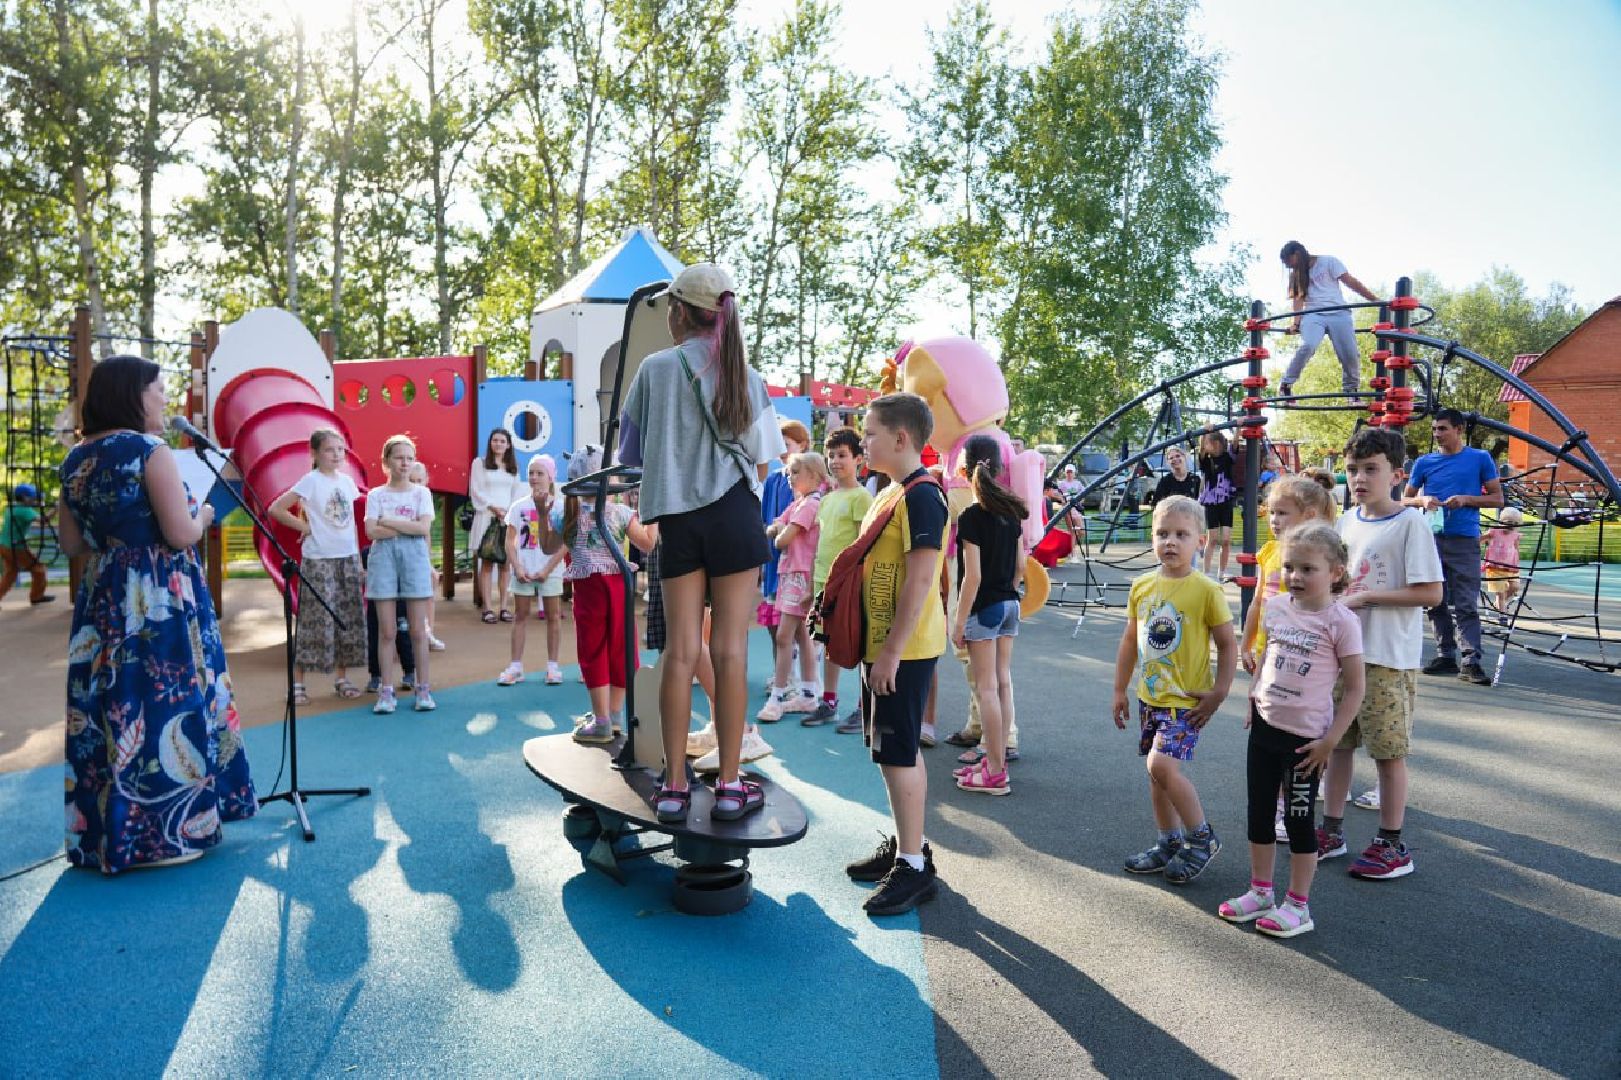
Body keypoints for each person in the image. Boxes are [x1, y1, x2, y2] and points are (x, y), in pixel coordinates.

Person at [56, 355, 256, 871]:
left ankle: (110, 835)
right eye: (158, 389)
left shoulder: (75, 459)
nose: (165, 398)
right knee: (169, 704)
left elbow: (71, 542)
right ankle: (165, 838)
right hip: (158, 597)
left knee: (110, 708)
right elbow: (181, 533)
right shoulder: (150, 450)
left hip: (103, 596)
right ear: (133, 395)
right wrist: (206, 512)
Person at [617, 262, 784, 826]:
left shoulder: (655, 370)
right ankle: (733, 783)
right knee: (732, 650)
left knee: (681, 652)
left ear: (680, 312)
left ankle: (674, 783)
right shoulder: (746, 374)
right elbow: (762, 461)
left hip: (679, 522)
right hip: (735, 515)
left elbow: (631, 456)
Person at [1220, 523, 1365, 937]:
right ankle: (1260, 891)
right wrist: (1254, 697)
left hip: (1307, 742)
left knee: (1300, 823)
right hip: (1265, 728)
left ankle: (1298, 906)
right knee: (1259, 815)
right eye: (1289, 567)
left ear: (1335, 572)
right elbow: (1268, 655)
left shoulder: (1341, 622)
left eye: (1308, 569)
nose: (1295, 576)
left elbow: (1355, 687)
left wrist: (1331, 741)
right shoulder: (1278, 606)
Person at [840, 392, 949, 916]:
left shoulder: (922, 496)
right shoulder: (889, 492)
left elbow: (922, 580)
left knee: (899, 752)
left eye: (870, 433)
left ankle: (913, 867)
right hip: (882, 647)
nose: (863, 441)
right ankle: (910, 848)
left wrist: (889, 653)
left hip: (901, 651)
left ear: (901, 438)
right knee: (889, 750)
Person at [1321, 426, 1443, 880]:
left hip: (1388, 658)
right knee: (1338, 746)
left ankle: (1392, 844)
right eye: (1353, 469)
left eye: (1371, 469)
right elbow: (1336, 582)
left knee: (1389, 752)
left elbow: (1430, 592)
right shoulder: (1347, 521)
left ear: (1396, 474)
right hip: (1344, 656)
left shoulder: (1409, 522)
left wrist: (1368, 598)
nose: (1359, 478)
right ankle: (1331, 830)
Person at [1111, 494, 1236, 884]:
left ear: (1201, 541)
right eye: (1162, 533)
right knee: (1157, 776)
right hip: (1151, 698)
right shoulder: (1143, 586)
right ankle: (1168, 841)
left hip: (1187, 702)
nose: (1170, 541)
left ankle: (1202, 838)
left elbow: (1228, 644)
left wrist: (1219, 692)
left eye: (1182, 534)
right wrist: (1119, 689)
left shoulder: (1206, 590)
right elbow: (1130, 641)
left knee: (1160, 765)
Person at [548, 446, 654, 742]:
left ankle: (603, 718)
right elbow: (647, 544)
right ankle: (614, 715)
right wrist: (653, 517)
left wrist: (545, 513)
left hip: (588, 589)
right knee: (622, 647)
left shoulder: (564, 514)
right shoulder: (620, 513)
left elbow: (546, 547)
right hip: (618, 586)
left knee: (593, 649)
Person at [1402, 408, 1504, 685]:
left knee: (1465, 602)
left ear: (1458, 429)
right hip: (1431, 539)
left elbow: (1497, 498)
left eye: (1443, 428)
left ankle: (1471, 661)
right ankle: (1446, 655)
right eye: (1435, 429)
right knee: (1434, 600)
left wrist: (1467, 499)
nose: (1437, 434)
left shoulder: (1480, 458)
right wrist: (1422, 501)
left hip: (1464, 539)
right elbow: (1404, 500)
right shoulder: (1424, 463)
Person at [949, 434, 1026, 797]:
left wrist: (960, 621)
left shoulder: (971, 517)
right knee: (1002, 683)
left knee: (987, 689)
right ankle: (995, 760)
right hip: (1010, 604)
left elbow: (973, 576)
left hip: (986, 608)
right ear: (1000, 467)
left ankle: (994, 771)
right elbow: (1021, 567)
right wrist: (1007, 591)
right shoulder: (1011, 513)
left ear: (964, 471)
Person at [269, 428, 366, 703]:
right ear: (314, 453)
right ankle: (298, 684)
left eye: (340, 449)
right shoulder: (310, 481)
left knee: (345, 618)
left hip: (346, 558)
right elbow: (276, 508)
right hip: (319, 560)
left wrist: (358, 560)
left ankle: (341, 678)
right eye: (329, 450)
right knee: (315, 619)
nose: (336, 455)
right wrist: (304, 527)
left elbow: (351, 526)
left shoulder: (347, 483)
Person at [365, 434, 437, 713]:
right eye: (398, 457)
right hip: (383, 560)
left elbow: (423, 529)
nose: (405, 463)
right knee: (387, 630)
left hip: (415, 560)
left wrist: (390, 522)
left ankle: (423, 689)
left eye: (409, 457)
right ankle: (386, 690)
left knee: (418, 630)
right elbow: (372, 531)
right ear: (386, 462)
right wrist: (408, 524)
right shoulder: (376, 495)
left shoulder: (422, 493)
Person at [1240, 476, 1338, 676]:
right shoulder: (1269, 551)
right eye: (1272, 512)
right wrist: (1245, 645)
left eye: (1282, 513)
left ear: (1309, 515)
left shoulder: (1321, 557)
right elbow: (1258, 602)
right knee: (1260, 702)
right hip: (1265, 650)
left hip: (1301, 655)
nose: (1274, 519)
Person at [759, 450, 829, 721]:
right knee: (800, 634)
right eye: (789, 472)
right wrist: (779, 528)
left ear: (814, 475)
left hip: (799, 575)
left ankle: (778, 696)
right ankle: (808, 694)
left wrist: (780, 530)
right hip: (792, 572)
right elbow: (775, 525)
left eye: (796, 472)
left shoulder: (811, 504)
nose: (789, 477)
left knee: (784, 635)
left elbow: (780, 538)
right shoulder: (800, 502)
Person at [814, 427, 873, 729]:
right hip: (823, 581)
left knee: (856, 641)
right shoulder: (827, 498)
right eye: (831, 456)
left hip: (848, 584)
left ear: (859, 459)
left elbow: (862, 544)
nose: (835, 461)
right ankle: (829, 700)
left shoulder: (862, 497)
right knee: (828, 643)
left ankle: (865, 706)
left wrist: (853, 580)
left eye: (842, 455)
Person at [1276, 240, 1382, 398]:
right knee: (1308, 345)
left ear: (1296, 254)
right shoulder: (1296, 275)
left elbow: (1350, 282)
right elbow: (1298, 300)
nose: (1287, 266)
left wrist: (1374, 299)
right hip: (1313, 315)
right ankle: (1286, 384)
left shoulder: (1328, 262)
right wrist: (1295, 323)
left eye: (1288, 262)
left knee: (1349, 353)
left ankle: (1351, 391)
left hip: (1338, 312)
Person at [497, 455, 566, 687]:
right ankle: (515, 666)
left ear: (550, 476)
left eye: (540, 473)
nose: (535, 478)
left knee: (554, 616)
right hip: (524, 570)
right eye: (531, 473)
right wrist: (517, 566)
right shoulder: (519, 506)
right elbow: (510, 540)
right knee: (520, 615)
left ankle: (553, 666)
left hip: (551, 570)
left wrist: (547, 569)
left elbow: (566, 542)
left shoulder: (560, 505)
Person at [759, 419, 809, 646]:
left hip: (797, 561)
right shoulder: (773, 479)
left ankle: (801, 676)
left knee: (797, 624)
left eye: (787, 444)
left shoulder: (811, 483)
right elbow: (765, 519)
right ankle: (782, 672)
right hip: (773, 560)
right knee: (772, 621)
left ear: (803, 445)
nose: (781, 450)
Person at [469, 428, 522, 624]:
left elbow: (516, 493)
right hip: (487, 517)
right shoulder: (480, 463)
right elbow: (475, 490)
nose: (498, 444)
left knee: (506, 563)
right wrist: (494, 508)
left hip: (507, 520)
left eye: (502, 441)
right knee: (487, 562)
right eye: (495, 440)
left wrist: (508, 513)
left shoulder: (513, 467)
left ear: (508, 444)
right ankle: (488, 608)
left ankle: (504, 607)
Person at [407, 461, 447, 651]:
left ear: (426, 481)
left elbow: (426, 533)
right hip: (404, 553)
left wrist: (428, 562)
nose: (415, 484)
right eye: (411, 480)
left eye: (419, 480)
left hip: (420, 553)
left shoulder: (425, 497)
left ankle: (428, 632)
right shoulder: (400, 498)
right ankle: (411, 634)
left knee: (431, 583)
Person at [1, 482, 54, 606]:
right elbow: (44, 520)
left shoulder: (12, 508)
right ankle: (36, 596)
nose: (35, 499)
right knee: (38, 569)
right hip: (16, 547)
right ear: (25, 498)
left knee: (10, 573)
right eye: (33, 497)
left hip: (4, 545)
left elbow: (29, 515)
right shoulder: (25, 510)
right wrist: (57, 508)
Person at [1196, 426, 1236, 582]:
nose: (1210, 446)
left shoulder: (1227, 457)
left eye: (1211, 442)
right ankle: (1206, 572)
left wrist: (1238, 428)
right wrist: (1205, 431)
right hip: (1211, 501)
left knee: (1226, 539)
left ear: (1218, 443)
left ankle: (1222, 571)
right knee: (1212, 539)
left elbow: (1235, 446)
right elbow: (1201, 451)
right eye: (1206, 443)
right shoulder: (1205, 461)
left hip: (1225, 499)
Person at [1482, 506, 1524, 611]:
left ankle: (1500, 603)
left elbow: (1516, 548)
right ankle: (1502, 614)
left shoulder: (1515, 535)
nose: (1511, 526)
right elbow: (1481, 539)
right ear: (1501, 521)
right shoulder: (1494, 532)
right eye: (1508, 522)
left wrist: (1517, 563)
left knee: (1515, 587)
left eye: (1515, 524)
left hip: (1510, 566)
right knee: (1500, 593)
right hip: (1495, 567)